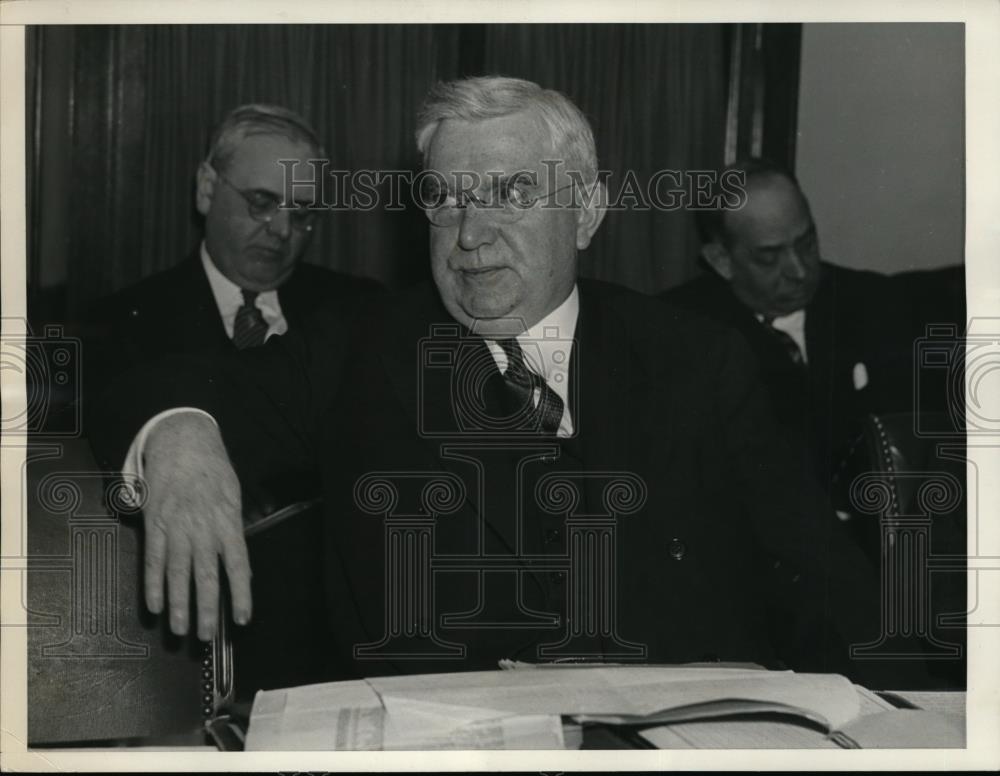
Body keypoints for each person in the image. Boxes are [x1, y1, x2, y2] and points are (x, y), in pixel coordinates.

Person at [93, 78, 881, 682]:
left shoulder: (695, 359)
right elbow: (151, 384)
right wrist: (181, 432)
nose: (470, 235)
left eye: (509, 193)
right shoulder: (363, 349)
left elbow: (824, 580)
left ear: (585, 212)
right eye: (446, 199)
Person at [86, 103, 379, 510]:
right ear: (207, 189)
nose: (281, 230)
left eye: (301, 212)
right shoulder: (121, 323)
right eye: (262, 201)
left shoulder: (361, 309)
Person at [663, 158, 914, 496]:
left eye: (807, 243)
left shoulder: (875, 303)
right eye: (770, 257)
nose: (799, 270)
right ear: (722, 261)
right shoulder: (677, 330)